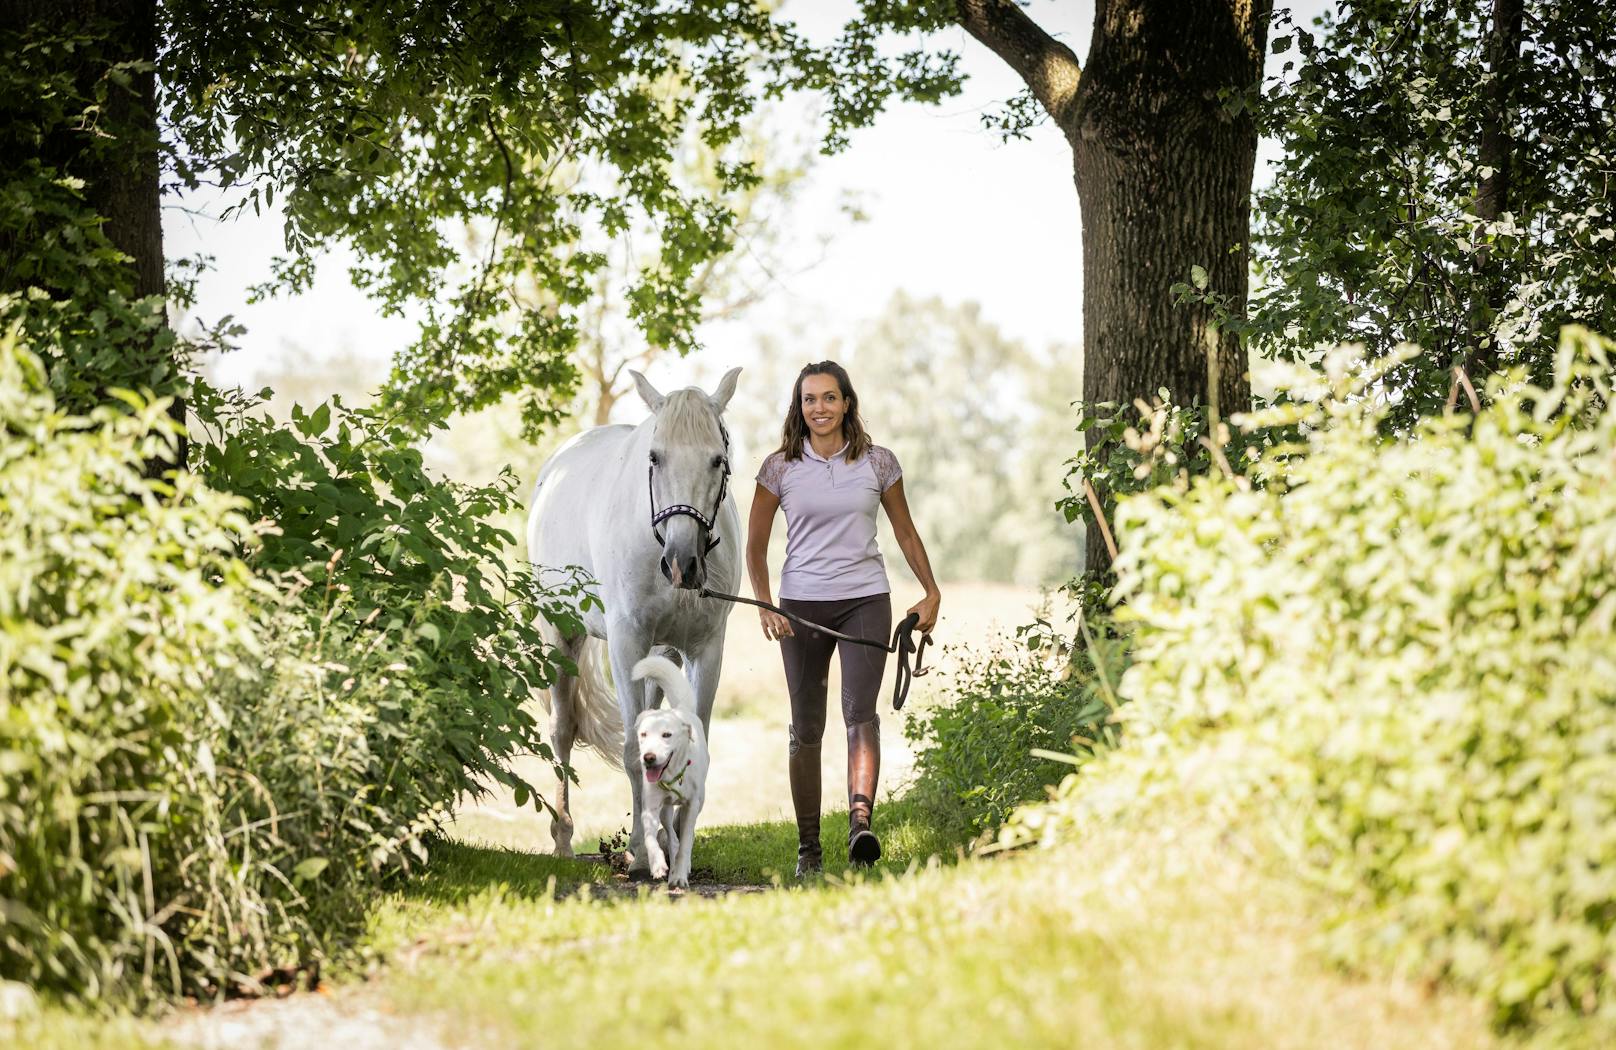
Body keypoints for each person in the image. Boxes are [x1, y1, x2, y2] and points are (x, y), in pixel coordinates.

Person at [746, 360, 941, 876]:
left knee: (861, 715)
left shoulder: (879, 464)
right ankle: (809, 850)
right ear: (799, 407)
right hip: (801, 607)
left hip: (864, 600)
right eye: (810, 400)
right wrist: (766, 601)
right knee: (806, 728)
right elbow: (756, 546)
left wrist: (930, 590)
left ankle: (860, 828)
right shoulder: (778, 468)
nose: (820, 408)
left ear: (847, 402)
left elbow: (904, 530)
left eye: (829, 398)